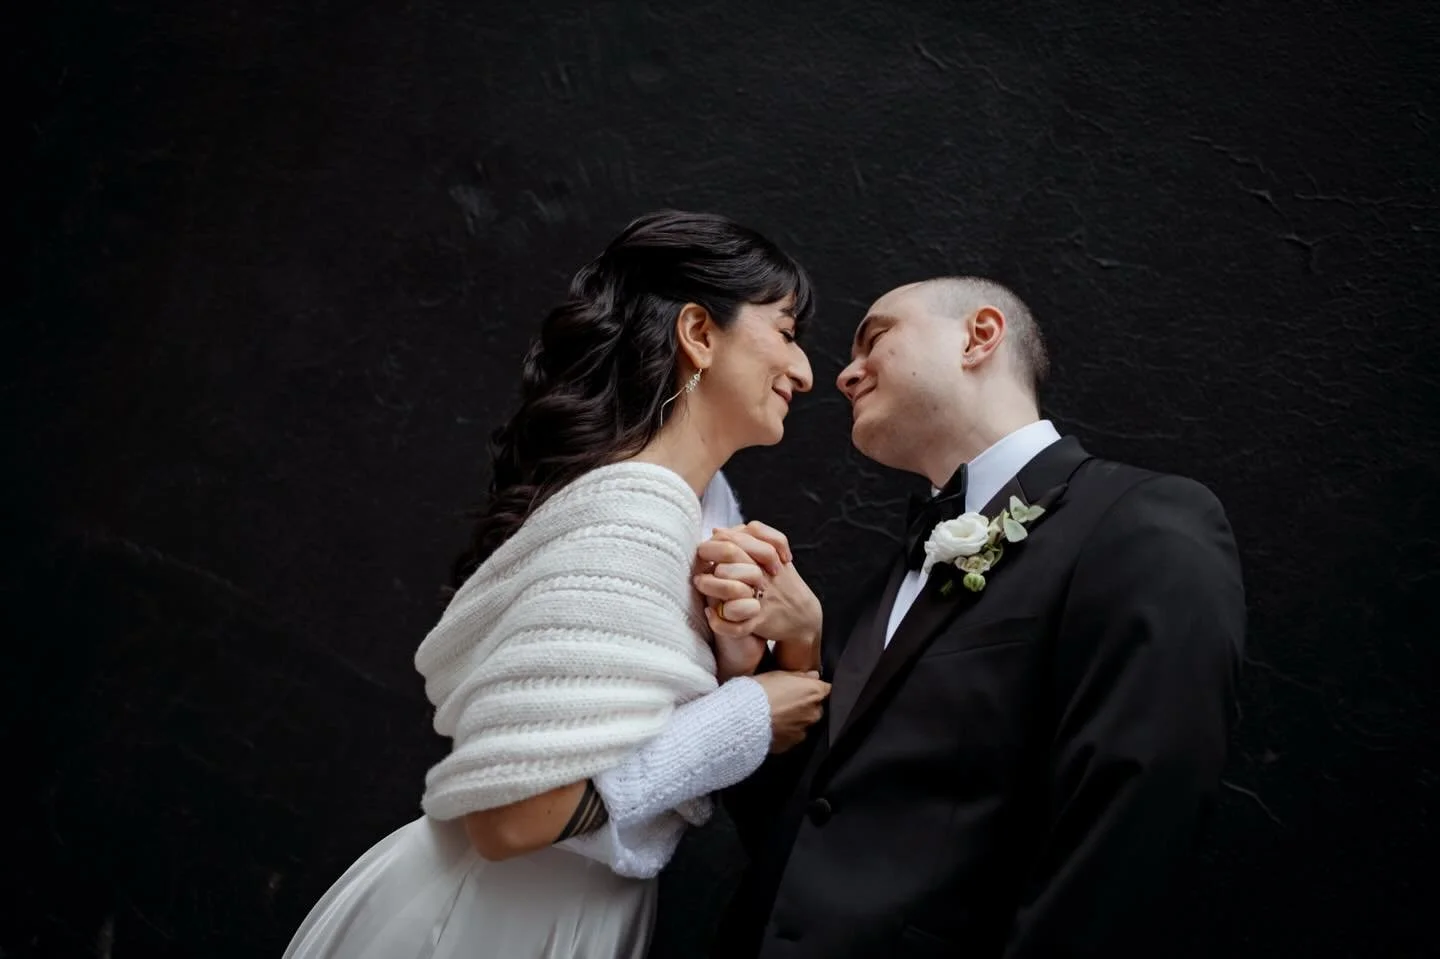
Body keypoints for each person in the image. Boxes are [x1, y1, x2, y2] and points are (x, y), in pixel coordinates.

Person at [282, 210, 831, 959]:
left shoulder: (705, 514)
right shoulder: (636, 510)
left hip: (574, 915)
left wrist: (755, 654)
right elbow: (509, 818)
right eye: (787, 331)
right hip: (485, 925)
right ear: (699, 334)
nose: (804, 371)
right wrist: (741, 718)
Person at [697, 277, 1246, 958]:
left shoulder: (1141, 522)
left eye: (875, 338)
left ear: (980, 335)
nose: (842, 374)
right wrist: (782, 659)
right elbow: (813, 822)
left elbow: (1133, 828)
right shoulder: (881, 588)